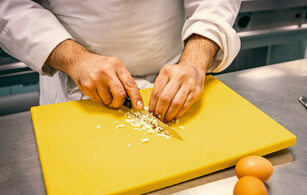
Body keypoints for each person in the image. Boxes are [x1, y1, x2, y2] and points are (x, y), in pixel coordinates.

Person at [0, 0, 241, 122]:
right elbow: (10, 7)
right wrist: (75, 59)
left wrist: (195, 60)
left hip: (175, 78)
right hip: (75, 88)